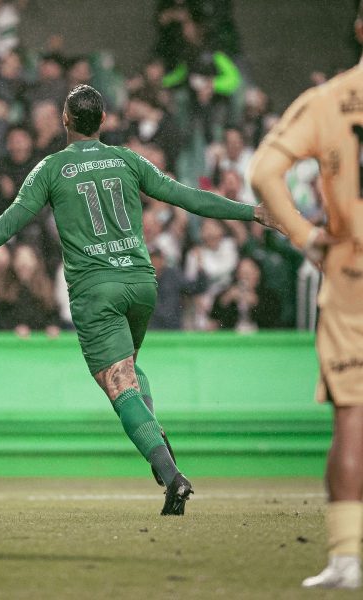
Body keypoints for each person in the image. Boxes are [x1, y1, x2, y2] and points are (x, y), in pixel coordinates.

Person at [0, 84, 278, 516]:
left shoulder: (50, 169)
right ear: (103, 122)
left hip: (97, 290)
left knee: (117, 382)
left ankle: (171, 475)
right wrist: (253, 212)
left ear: (65, 120)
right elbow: (187, 197)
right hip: (141, 282)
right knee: (128, 372)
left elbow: (4, 228)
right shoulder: (127, 159)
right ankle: (159, 446)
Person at [249, 4, 363, 589]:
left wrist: (308, 238)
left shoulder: (330, 100)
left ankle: (347, 560)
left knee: (353, 416)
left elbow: (265, 170)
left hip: (352, 270)